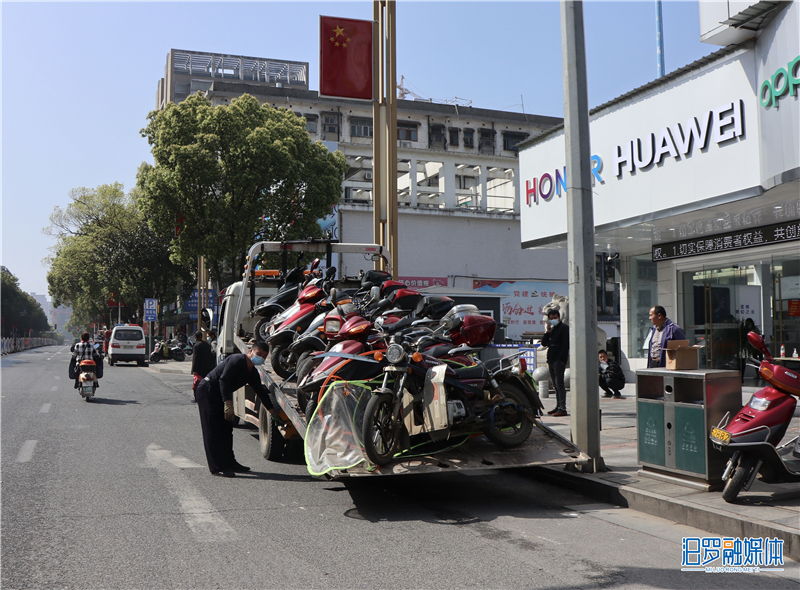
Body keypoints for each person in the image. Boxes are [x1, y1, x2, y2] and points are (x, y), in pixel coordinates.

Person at [194, 341, 281, 477]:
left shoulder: (252, 372)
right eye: (259, 354)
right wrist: (227, 403)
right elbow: (224, 380)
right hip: (207, 391)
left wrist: (273, 413)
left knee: (226, 429)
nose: (261, 358)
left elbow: (261, 392)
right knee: (212, 430)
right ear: (251, 351)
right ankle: (217, 467)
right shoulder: (237, 360)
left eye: (264, 356)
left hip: (220, 395)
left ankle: (230, 463)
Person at [541, 310, 569, 417]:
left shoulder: (564, 328)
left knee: (560, 384)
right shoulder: (552, 330)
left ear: (559, 317)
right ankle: (558, 406)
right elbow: (544, 343)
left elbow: (565, 345)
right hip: (551, 359)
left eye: (554, 317)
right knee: (555, 385)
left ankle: (562, 408)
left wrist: (561, 360)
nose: (553, 320)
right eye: (551, 318)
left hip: (559, 360)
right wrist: (547, 332)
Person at [190, 331, 216, 403]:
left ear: (196, 338)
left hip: (199, 369)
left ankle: (197, 398)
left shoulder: (196, 346)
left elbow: (195, 358)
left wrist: (194, 370)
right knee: (206, 383)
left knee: (197, 384)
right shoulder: (207, 344)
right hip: (208, 367)